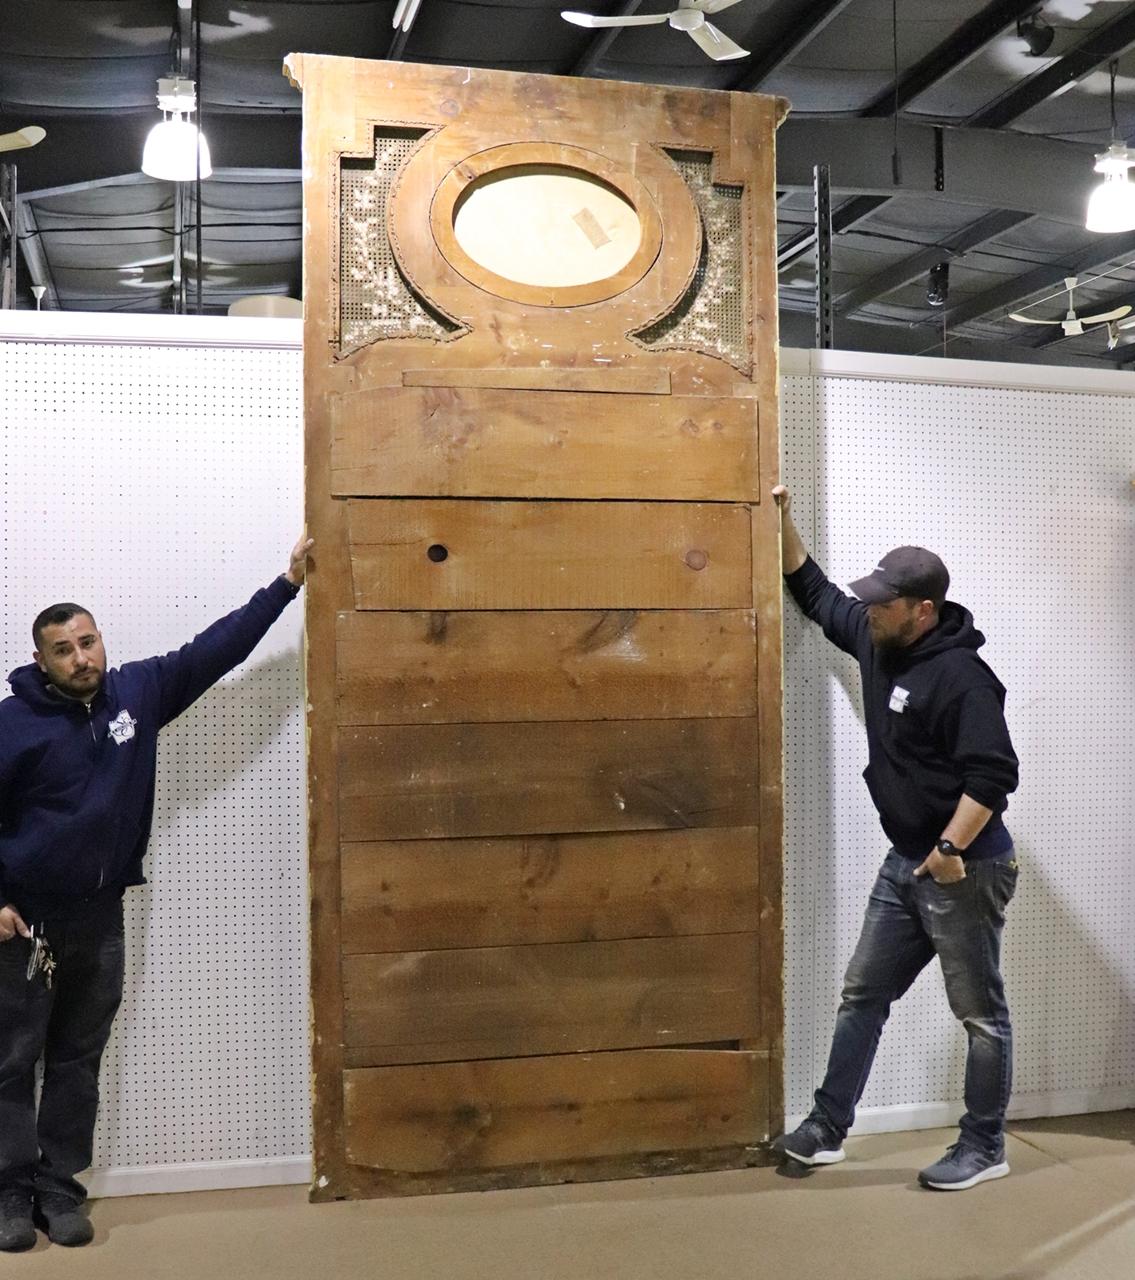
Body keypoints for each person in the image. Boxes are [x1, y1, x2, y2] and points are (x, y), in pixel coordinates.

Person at [0, 536, 313, 1250]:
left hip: (101, 919)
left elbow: (216, 650)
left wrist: (287, 583)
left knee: (78, 1060)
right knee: (13, 1063)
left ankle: (59, 1191)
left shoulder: (137, 694)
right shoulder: (11, 726)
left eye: (88, 641)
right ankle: (10, 1197)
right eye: (64, 649)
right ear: (40, 660)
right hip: (25, 928)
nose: (82, 658)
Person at [772, 485, 1019, 1192]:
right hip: (906, 863)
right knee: (862, 995)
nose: (869, 610)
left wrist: (947, 852)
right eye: (871, 600)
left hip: (961, 868)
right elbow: (813, 590)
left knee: (979, 1016)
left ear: (922, 610)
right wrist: (782, 519)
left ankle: (983, 1146)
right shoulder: (877, 639)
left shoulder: (961, 677)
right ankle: (825, 1129)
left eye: (883, 602)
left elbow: (993, 775)